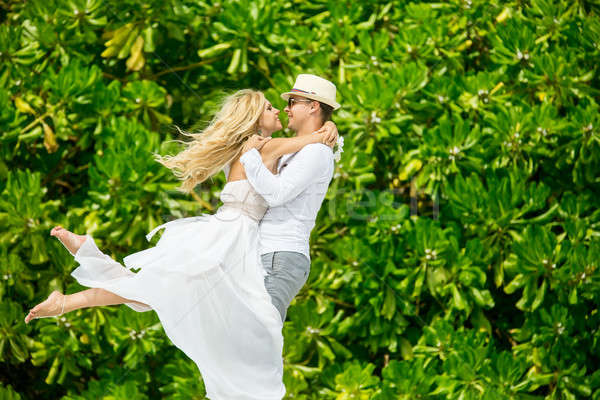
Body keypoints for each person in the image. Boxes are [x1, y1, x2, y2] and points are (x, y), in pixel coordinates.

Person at [24, 88, 338, 400]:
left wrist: (324, 131)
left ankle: (77, 277)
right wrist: (325, 133)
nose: (279, 111)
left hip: (228, 231)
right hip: (233, 236)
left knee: (157, 292)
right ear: (256, 120)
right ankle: (73, 286)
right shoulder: (264, 147)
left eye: (284, 105)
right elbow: (308, 143)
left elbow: (302, 151)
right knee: (163, 293)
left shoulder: (250, 147)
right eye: (270, 108)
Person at [240, 74, 341, 323]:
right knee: (251, 332)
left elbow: (276, 194)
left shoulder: (317, 152)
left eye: (293, 101)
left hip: (281, 254)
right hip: (270, 253)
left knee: (262, 332)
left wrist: (250, 157)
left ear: (313, 106)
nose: (286, 108)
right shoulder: (305, 147)